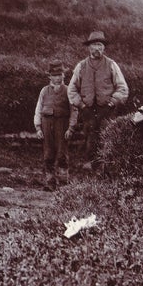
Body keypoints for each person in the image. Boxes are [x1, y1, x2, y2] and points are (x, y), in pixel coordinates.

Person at [67, 30, 129, 170]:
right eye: (94, 45)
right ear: (89, 47)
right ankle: (88, 164)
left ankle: (105, 166)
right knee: (89, 134)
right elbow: (71, 90)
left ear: (104, 47)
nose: (97, 48)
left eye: (100, 45)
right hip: (87, 109)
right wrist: (81, 105)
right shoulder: (81, 66)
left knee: (106, 135)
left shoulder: (111, 65)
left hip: (106, 109)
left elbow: (123, 88)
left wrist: (112, 102)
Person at [34, 60, 78, 191]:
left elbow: (74, 110)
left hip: (62, 125)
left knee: (62, 154)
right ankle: (50, 183)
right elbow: (38, 109)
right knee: (48, 154)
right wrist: (38, 127)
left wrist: (71, 128)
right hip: (46, 125)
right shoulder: (44, 91)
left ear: (64, 75)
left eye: (60, 74)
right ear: (50, 76)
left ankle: (64, 184)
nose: (57, 77)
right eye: (54, 75)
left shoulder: (69, 91)